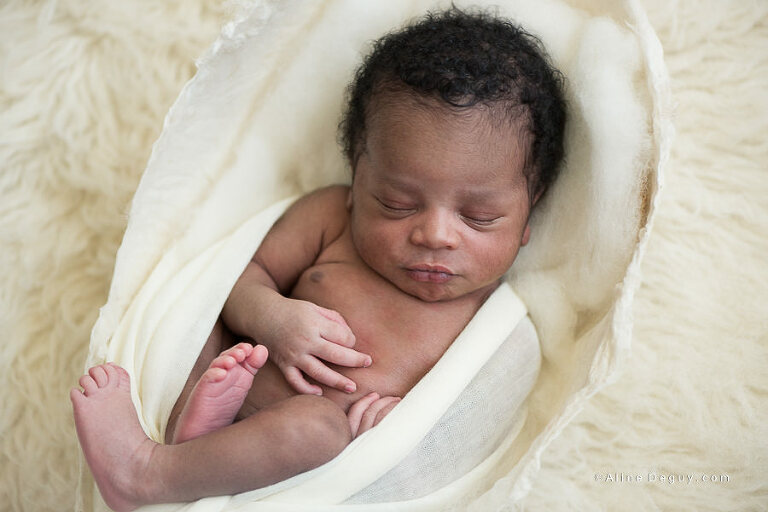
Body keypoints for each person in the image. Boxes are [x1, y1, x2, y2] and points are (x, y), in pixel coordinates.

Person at [70, 8, 566, 511]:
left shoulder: (496, 326)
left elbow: (466, 436)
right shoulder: (331, 219)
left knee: (318, 426)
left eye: (480, 217)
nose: (434, 235)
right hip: (225, 385)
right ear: (357, 176)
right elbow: (232, 277)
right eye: (396, 203)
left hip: (308, 462)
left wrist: (396, 436)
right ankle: (185, 431)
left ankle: (147, 473)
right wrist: (272, 317)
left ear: (530, 210)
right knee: (200, 325)